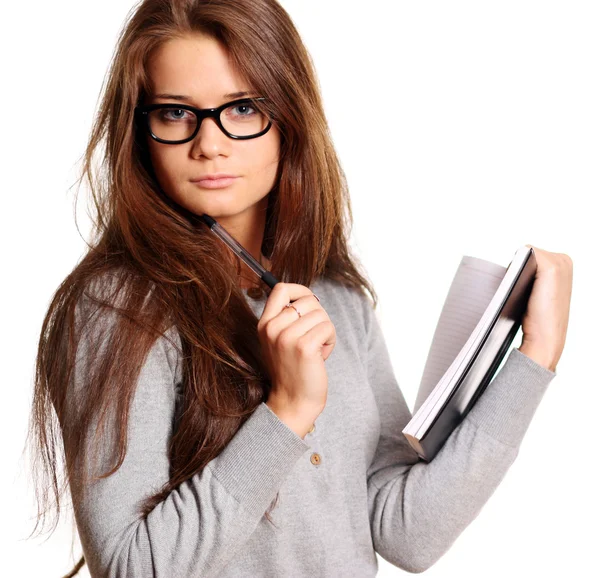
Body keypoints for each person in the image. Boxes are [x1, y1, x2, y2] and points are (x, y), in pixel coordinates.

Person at [27, 1, 573, 577]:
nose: (209, 143)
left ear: (289, 115)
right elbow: (131, 568)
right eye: (174, 113)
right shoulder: (115, 308)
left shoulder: (335, 295)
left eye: (241, 108)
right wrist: (287, 411)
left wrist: (534, 359)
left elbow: (406, 532)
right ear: (141, 131)